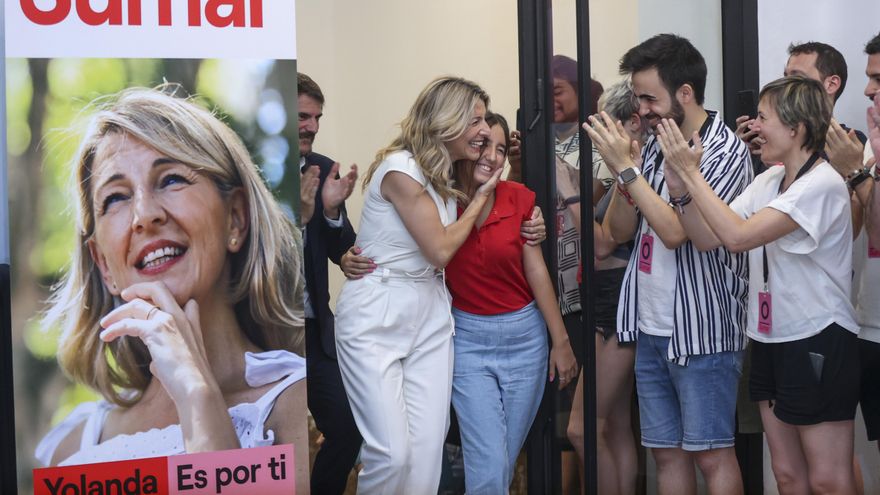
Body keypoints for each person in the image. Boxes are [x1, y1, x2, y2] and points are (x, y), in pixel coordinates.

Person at [33, 87, 308, 492]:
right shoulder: (69, 446)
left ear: (235, 218)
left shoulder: (297, 403)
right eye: (116, 198)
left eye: (172, 178)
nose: (144, 215)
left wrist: (197, 395)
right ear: (104, 264)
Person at [660, 75, 860, 495]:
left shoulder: (821, 184)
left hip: (818, 336)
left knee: (828, 479)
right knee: (787, 475)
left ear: (796, 128)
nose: (755, 127)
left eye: (764, 118)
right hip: (768, 337)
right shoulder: (770, 180)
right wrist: (680, 192)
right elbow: (708, 237)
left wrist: (691, 174)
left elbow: (739, 237)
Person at [584, 34, 752, 495]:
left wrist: (629, 171)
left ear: (685, 93)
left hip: (703, 329)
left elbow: (679, 233)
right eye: (638, 97)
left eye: (649, 97)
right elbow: (620, 231)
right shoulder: (655, 144)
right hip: (651, 323)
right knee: (665, 454)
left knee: (713, 454)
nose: (641, 109)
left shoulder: (723, 150)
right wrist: (626, 171)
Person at [333, 76, 503, 494]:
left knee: (428, 454)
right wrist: (482, 197)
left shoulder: (444, 172)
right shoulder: (401, 169)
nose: (484, 130)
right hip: (378, 312)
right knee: (391, 454)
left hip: (428, 307)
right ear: (446, 120)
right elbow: (441, 249)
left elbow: (479, 231)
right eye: (475, 120)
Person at [445, 112, 578, 494]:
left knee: (501, 458)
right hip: (468, 340)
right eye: (484, 145)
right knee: (489, 464)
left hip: (525, 339)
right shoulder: (440, 201)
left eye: (501, 149)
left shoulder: (519, 199)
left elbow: (536, 272)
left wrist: (561, 341)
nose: (493, 156)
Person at [567, 78, 647, 495]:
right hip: (609, 297)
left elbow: (601, 244)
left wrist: (569, 196)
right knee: (614, 426)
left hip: (618, 300)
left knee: (582, 429)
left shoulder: (635, 171)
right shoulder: (624, 169)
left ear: (630, 123)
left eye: (603, 123)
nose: (596, 134)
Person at [298, 72, 362, 495]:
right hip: (262, 334)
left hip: (313, 329)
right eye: (303, 116)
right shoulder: (248, 167)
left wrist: (334, 214)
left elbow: (344, 247)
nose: (312, 127)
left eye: (317, 118)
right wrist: (300, 217)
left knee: (347, 428)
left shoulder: (323, 169)